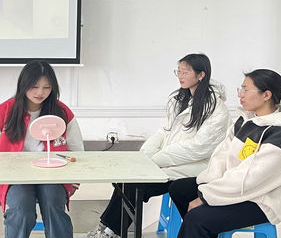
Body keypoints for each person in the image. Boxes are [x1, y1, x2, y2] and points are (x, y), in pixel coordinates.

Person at [85, 53, 231, 238]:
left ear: (201, 75)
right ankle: (108, 230)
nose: (180, 76)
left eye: (185, 72)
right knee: (127, 181)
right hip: (172, 162)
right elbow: (164, 131)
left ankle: (109, 232)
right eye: (178, 71)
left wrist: (157, 161)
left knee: (135, 184)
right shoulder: (180, 99)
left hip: (198, 166)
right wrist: (146, 155)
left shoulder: (216, 108)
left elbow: (199, 147)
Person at [168, 69, 281, 238]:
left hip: (264, 199)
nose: (240, 95)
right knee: (179, 189)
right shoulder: (246, 120)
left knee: (197, 218)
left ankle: (199, 229)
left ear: (266, 95)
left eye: (245, 90)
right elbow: (222, 155)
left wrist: (205, 197)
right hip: (241, 187)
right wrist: (210, 185)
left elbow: (251, 178)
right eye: (241, 89)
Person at [0, 60, 84, 238]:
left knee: (54, 204)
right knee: (21, 209)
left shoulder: (62, 112)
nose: (40, 93)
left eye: (46, 87)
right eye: (34, 87)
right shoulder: (3, 111)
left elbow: (76, 149)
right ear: (23, 85)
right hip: (13, 174)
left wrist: (73, 182)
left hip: (52, 173)